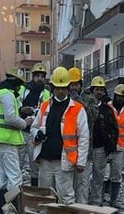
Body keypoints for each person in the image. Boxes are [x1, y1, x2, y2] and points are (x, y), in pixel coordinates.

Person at [30, 66, 88, 205]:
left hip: (64, 161)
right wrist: (37, 134)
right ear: (52, 88)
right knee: (44, 196)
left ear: (68, 88)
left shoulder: (77, 109)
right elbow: (34, 126)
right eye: (57, 87)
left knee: (66, 196)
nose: (60, 91)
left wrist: (81, 162)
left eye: (63, 88)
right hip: (45, 159)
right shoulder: (45, 106)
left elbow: (84, 136)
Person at [0, 69, 33, 210]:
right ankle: (12, 208)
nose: (20, 89)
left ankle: (1, 207)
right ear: (16, 85)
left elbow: (6, 113)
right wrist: (26, 123)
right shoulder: (7, 95)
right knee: (15, 176)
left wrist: (21, 111)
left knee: (3, 176)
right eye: (19, 86)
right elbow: (10, 118)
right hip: (6, 139)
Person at [67, 66, 97, 203]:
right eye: (71, 84)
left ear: (80, 84)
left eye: (76, 84)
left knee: (83, 181)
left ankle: (82, 206)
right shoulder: (64, 98)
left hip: (85, 147)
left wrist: (78, 102)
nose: (74, 87)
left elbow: (93, 116)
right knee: (68, 181)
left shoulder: (89, 98)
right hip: (68, 148)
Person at [87, 76, 118, 206]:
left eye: (101, 90)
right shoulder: (85, 106)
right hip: (87, 147)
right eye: (97, 89)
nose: (99, 92)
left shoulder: (107, 110)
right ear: (92, 90)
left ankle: (95, 202)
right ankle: (83, 200)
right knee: (83, 177)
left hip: (100, 148)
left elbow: (114, 129)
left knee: (98, 177)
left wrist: (111, 145)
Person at [21, 62, 50, 185]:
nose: (40, 78)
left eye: (42, 76)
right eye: (37, 75)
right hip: (21, 130)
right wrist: (21, 110)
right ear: (33, 76)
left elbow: (45, 111)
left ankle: (34, 190)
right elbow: (16, 105)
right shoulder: (23, 89)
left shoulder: (46, 93)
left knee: (35, 164)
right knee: (18, 163)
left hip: (35, 133)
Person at [108, 83, 124, 208]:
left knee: (116, 174)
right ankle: (100, 198)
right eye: (118, 96)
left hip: (120, 147)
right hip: (107, 146)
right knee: (103, 173)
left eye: (122, 97)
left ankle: (113, 201)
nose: (120, 99)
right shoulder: (107, 107)